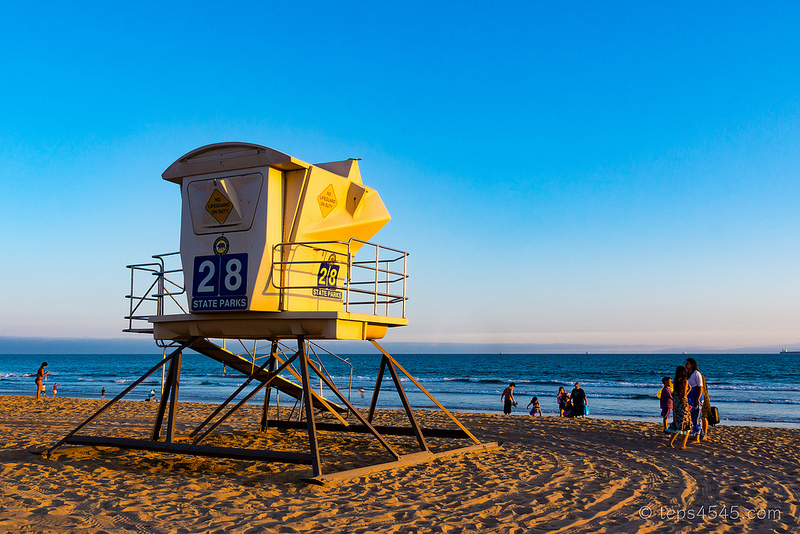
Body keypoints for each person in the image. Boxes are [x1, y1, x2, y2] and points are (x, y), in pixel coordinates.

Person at [666, 366, 691, 448]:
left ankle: (670, 442)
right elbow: (684, 395)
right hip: (682, 404)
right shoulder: (685, 382)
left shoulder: (675, 381)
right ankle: (683, 444)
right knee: (686, 424)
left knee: (678, 424)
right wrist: (689, 390)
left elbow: (675, 393)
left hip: (676, 404)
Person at [685, 358, 705, 442]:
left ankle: (697, 437)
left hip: (696, 395)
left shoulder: (696, 374)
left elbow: (701, 387)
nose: (686, 365)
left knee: (697, 417)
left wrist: (698, 398)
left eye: (687, 364)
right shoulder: (687, 374)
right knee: (692, 417)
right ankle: (701, 435)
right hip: (689, 397)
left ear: (692, 365)